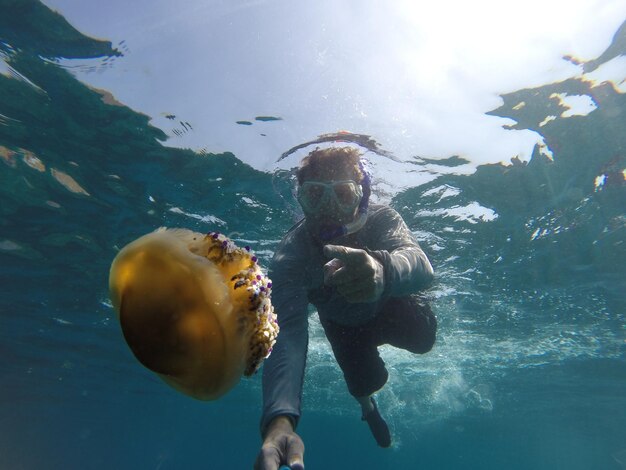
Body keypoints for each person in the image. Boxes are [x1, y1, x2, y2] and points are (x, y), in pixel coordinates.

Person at [254, 147, 436, 470]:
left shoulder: (383, 219)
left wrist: (384, 270)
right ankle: (368, 409)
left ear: (361, 195)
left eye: (342, 194)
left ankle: (366, 397)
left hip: (388, 303)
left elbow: (422, 264)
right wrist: (279, 422)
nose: (329, 211)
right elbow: (288, 337)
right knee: (365, 383)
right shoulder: (292, 256)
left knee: (425, 337)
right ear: (301, 199)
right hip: (343, 326)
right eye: (314, 195)